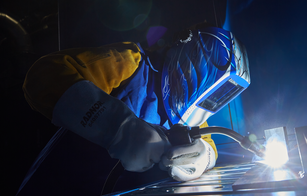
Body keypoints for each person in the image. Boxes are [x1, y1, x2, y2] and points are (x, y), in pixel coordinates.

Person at [19, 24, 250, 194]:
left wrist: (204, 157)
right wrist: (117, 128)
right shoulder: (132, 63)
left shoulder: (189, 113)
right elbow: (43, 77)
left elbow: (206, 142)